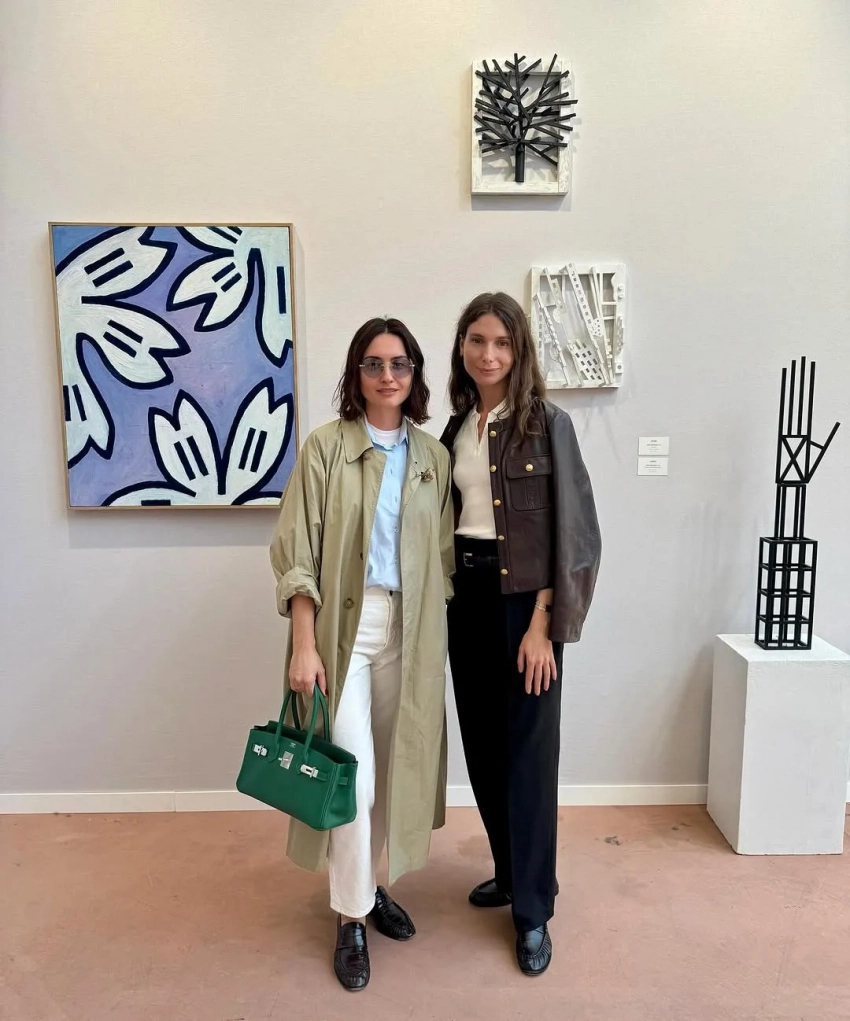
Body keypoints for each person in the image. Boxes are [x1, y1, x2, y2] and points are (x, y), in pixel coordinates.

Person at [270, 317, 454, 992]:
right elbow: (297, 551)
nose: (387, 375)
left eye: (399, 363)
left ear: (414, 373)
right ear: (356, 373)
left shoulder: (431, 456)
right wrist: (304, 642)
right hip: (343, 627)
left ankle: (367, 889)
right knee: (353, 779)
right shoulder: (326, 448)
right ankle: (351, 916)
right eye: (373, 363)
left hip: (413, 628)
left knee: (394, 770)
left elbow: (442, 556)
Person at [440, 292, 601, 977]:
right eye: (477, 340)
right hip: (466, 601)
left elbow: (575, 534)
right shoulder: (455, 429)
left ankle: (533, 910)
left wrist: (543, 625)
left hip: (523, 610)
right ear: (462, 347)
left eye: (502, 343)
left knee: (529, 758)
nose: (489, 354)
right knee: (483, 748)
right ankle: (509, 872)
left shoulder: (547, 425)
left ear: (519, 350)